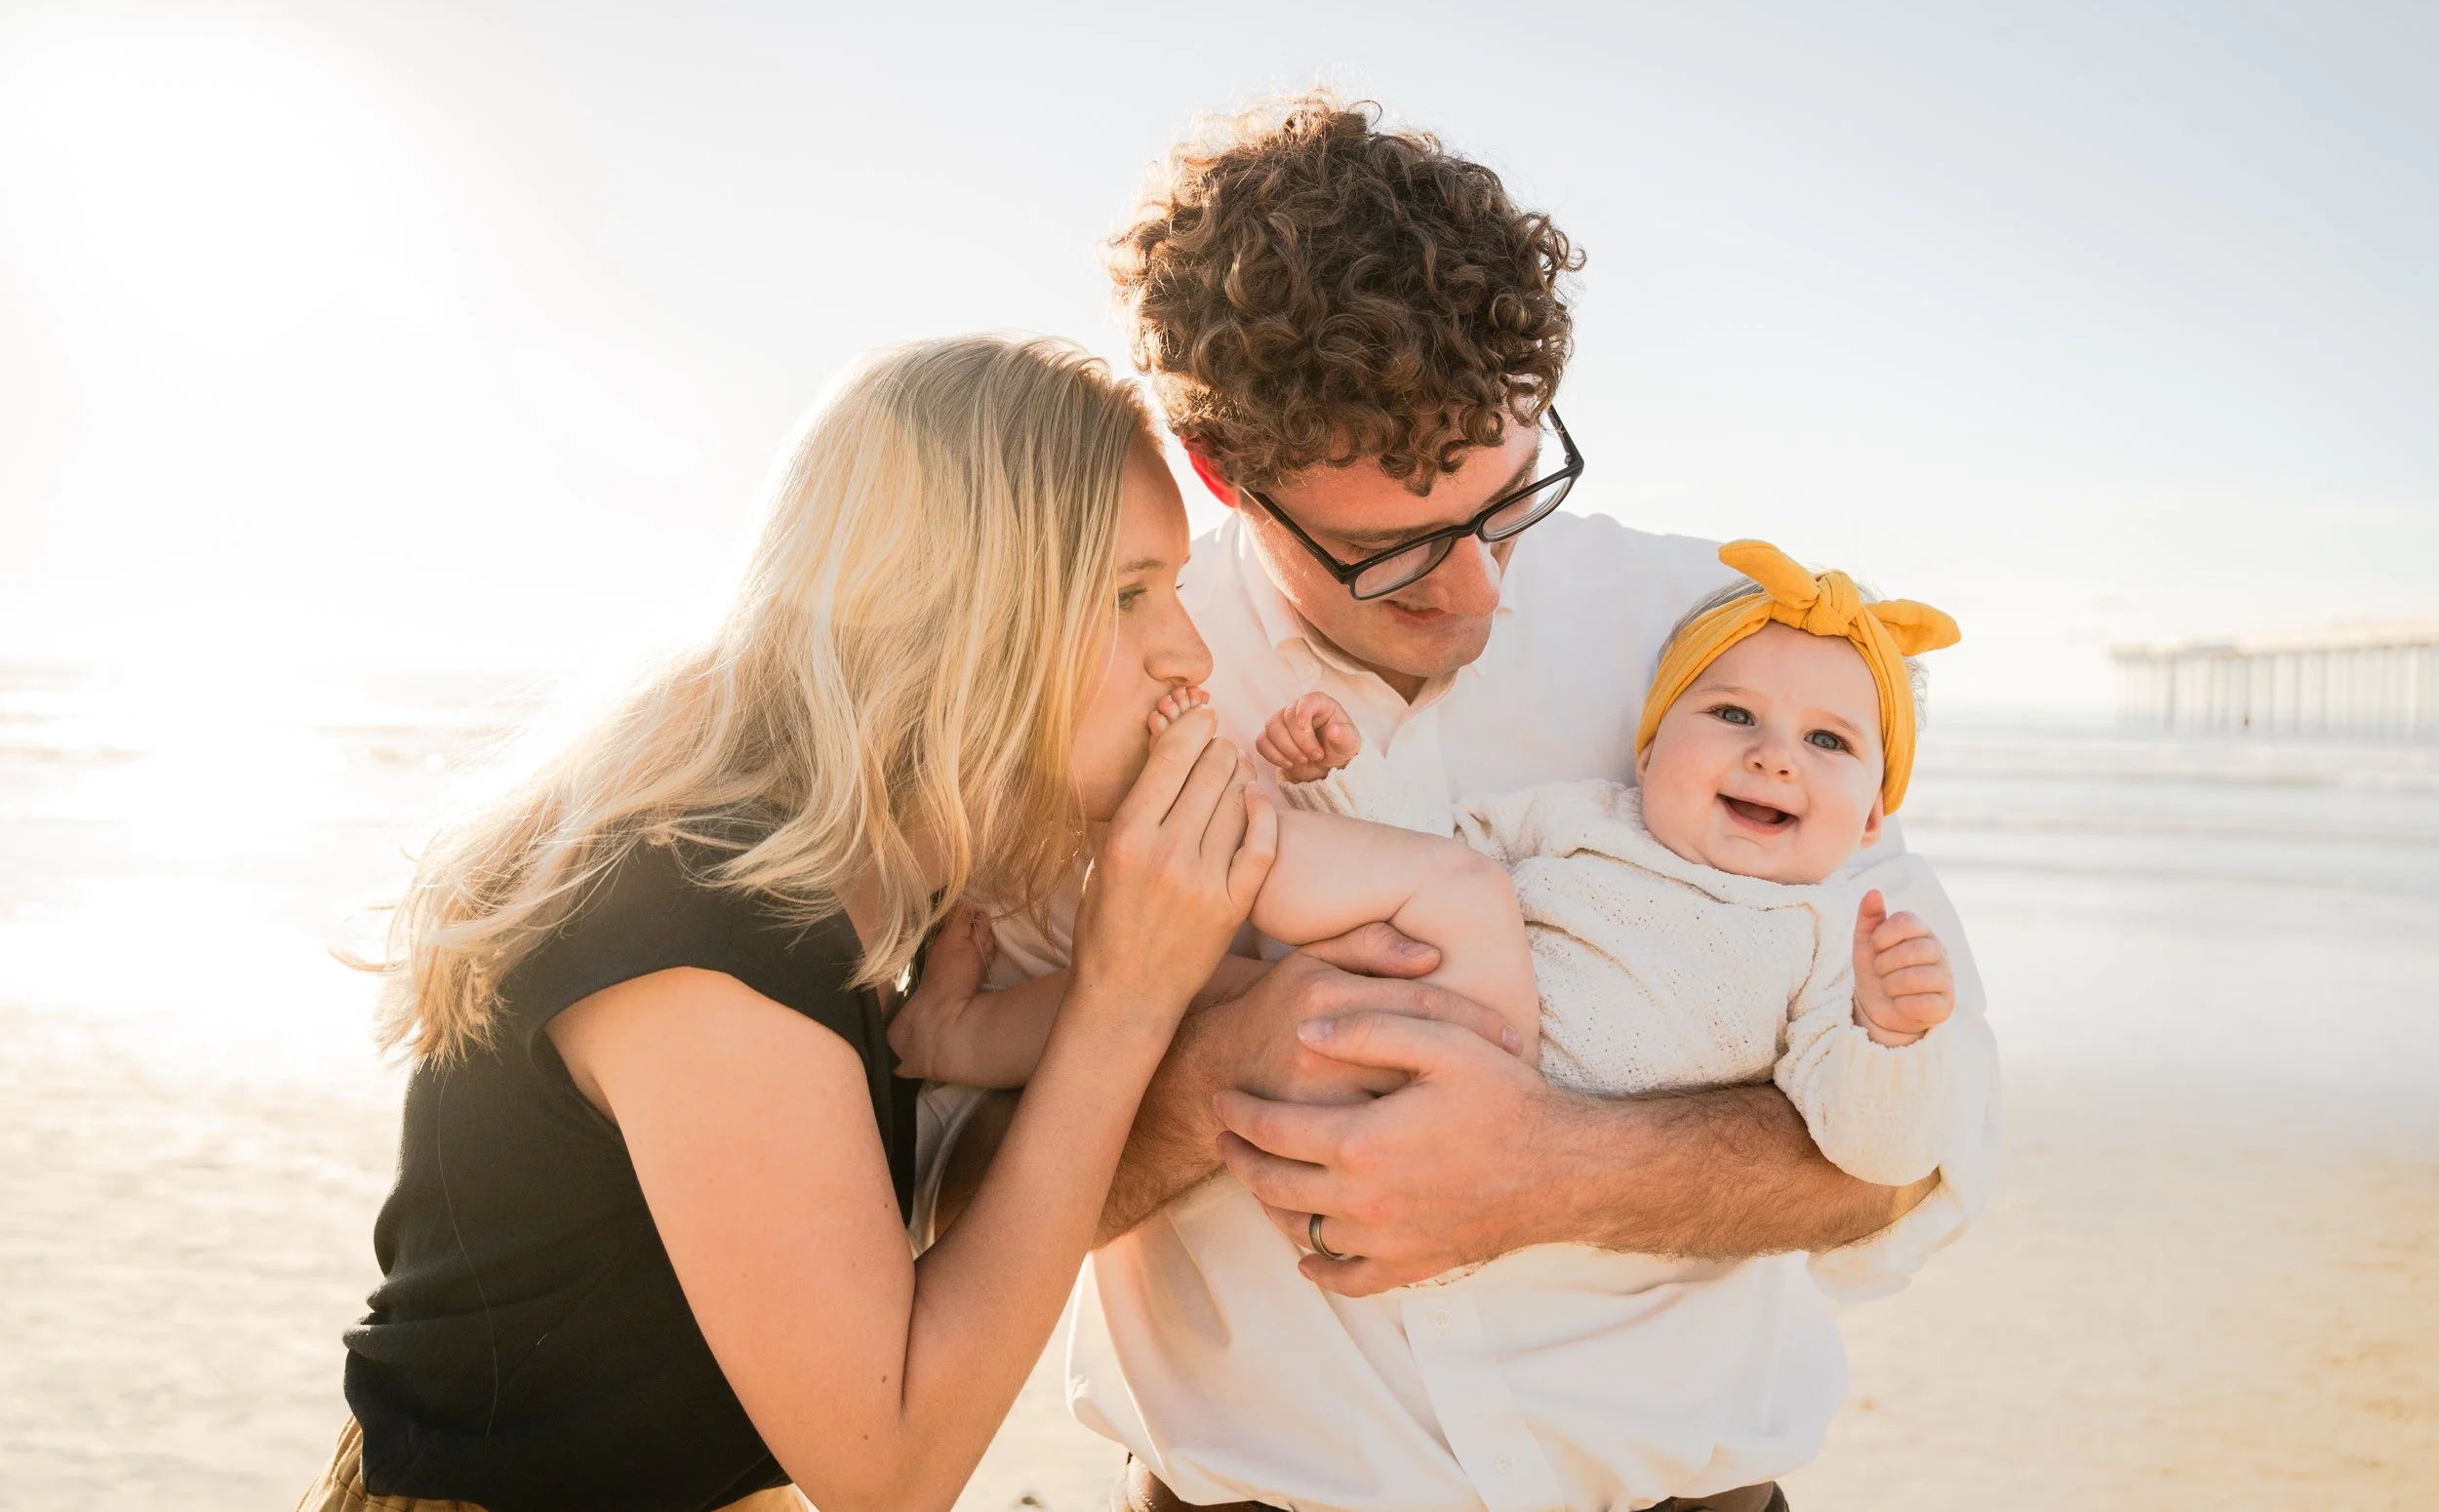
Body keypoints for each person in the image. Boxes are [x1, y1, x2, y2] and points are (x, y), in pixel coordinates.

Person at [917, 94, 2002, 1507]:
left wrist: (1559, 1167)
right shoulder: (1080, 677)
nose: (1479, 588)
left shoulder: (1729, 648)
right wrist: (1194, 1080)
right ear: (1222, 476)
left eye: (1508, 502)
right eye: (1394, 550)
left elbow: (1930, 1147)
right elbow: (948, 1199)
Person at [297, 336, 1280, 1512]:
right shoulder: (695, 913)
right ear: (957, 615)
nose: (1190, 650)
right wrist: (1123, 1001)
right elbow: (889, 1464)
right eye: (1127, 594)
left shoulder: (871, 865)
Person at [896, 541, 1979, 1509]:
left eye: (1830, 743)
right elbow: (1413, 846)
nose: (1774, 756)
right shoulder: (1582, 819)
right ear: (1647, 750)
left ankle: (1228, 830)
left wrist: (1892, 1034)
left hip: (1500, 1079)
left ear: (1876, 813)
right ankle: (977, 1015)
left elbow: (1889, 1157)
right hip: (1429, 1014)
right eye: (1732, 716)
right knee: (1185, 978)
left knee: (1409, 901)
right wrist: (1340, 778)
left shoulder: (1840, 931)